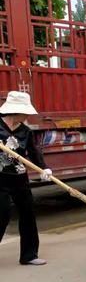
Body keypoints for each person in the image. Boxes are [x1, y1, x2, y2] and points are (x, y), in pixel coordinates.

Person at [0, 91, 52, 265]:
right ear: (15, 110)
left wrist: (44, 168)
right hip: (0, 178)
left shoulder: (25, 131)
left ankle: (29, 255)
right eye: (25, 112)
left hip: (19, 177)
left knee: (27, 213)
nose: (28, 115)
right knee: (2, 211)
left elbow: (34, 151)